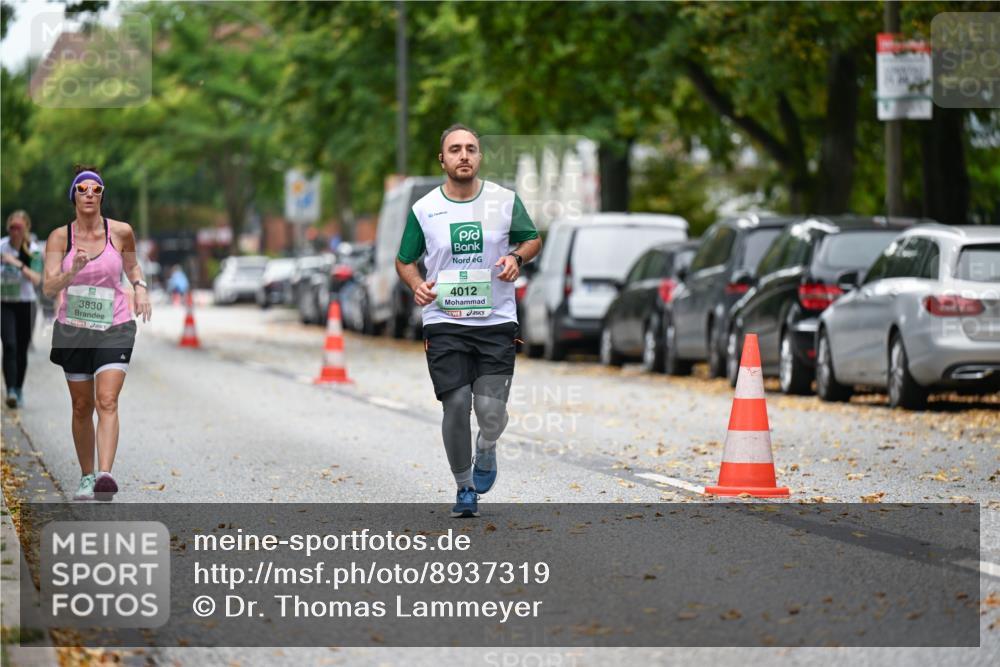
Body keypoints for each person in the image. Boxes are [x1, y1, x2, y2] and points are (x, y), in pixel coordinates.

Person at [395, 124, 542, 518]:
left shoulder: (504, 200)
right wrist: (416, 286)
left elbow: (531, 238)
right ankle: (464, 487)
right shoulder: (425, 209)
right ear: (442, 159)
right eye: (455, 149)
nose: (464, 155)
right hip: (444, 320)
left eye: (471, 149)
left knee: (491, 411)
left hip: (496, 320)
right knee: (456, 403)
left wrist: (516, 258)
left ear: (479, 157)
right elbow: (404, 260)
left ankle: (487, 447)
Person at [43, 165, 152, 502]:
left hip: (114, 325)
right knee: (81, 405)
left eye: (96, 189)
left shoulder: (120, 233)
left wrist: (140, 286)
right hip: (73, 330)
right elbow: (48, 287)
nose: (89, 194)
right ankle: (87, 476)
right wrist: (72, 270)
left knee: (107, 400)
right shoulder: (59, 238)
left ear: (102, 195)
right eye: (82, 189)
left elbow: (132, 264)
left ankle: (105, 474)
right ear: (73, 196)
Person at [1, 210, 43, 408]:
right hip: (5, 303)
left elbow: (36, 278)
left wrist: (16, 263)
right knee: (9, 345)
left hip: (26, 304)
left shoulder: (32, 250)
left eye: (18, 228)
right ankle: (10, 390)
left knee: (21, 349)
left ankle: (18, 387)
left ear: (26, 228)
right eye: (11, 227)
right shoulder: (1, 246)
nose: (14, 232)